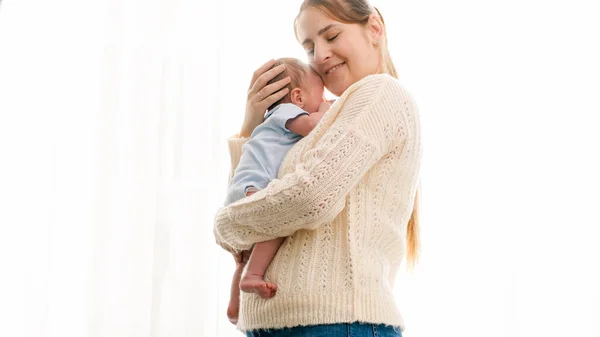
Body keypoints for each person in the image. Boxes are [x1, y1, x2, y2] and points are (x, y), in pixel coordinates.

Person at [213, 1, 422, 336]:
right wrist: (251, 129)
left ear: (374, 29)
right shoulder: (325, 121)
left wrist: (224, 224)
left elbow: (309, 198)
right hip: (288, 324)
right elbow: (250, 211)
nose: (320, 55)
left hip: (333, 324)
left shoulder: (380, 93)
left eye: (331, 35)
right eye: (309, 46)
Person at [223, 57, 332, 324]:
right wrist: (329, 110)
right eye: (321, 95)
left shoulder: (272, 124)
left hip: (242, 186)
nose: (325, 98)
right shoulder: (284, 114)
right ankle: (252, 277)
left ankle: (235, 306)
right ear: (298, 97)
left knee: (244, 255)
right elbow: (312, 126)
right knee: (277, 224)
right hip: (255, 185)